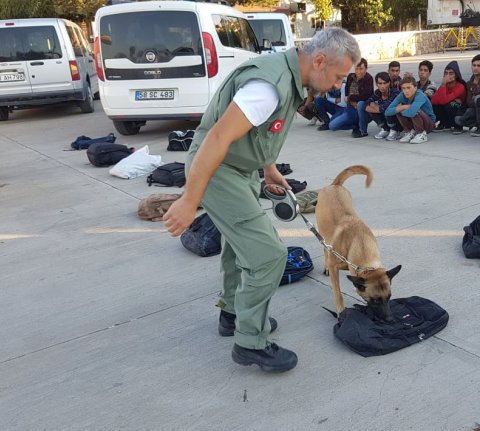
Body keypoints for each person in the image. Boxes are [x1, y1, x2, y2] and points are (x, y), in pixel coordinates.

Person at [162, 28, 360, 373]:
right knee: (268, 255)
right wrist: (189, 201)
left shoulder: (284, 76)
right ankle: (250, 341)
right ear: (318, 61)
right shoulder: (268, 87)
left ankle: (231, 313)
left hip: (237, 168)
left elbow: (253, 130)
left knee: (240, 246)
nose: (337, 86)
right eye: (338, 76)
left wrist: (268, 167)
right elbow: (217, 138)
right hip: (218, 169)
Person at [385, 76, 437, 144]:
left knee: (415, 111)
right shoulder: (402, 95)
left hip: (428, 124)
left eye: (409, 88)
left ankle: (421, 134)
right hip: (414, 122)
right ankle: (409, 132)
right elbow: (387, 112)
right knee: (399, 109)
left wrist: (401, 109)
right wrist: (403, 107)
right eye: (403, 88)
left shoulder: (420, 95)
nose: (406, 91)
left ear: (415, 88)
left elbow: (412, 113)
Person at [355, 71, 401, 139]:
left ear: (389, 83)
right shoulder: (377, 92)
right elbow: (366, 103)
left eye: (385, 83)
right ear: (376, 84)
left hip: (397, 121)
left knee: (388, 110)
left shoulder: (395, 93)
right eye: (380, 83)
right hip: (384, 116)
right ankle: (385, 129)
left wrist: (374, 106)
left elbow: (386, 108)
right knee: (361, 104)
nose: (382, 86)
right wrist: (376, 107)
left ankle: (395, 131)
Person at [331, 58, 373, 133]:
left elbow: (365, 96)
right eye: (356, 69)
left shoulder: (368, 78)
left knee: (334, 124)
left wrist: (350, 97)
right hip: (350, 108)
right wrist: (347, 97)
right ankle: (355, 125)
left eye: (361, 69)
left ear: (366, 69)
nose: (358, 71)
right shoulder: (351, 76)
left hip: (361, 109)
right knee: (332, 125)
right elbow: (347, 89)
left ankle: (360, 126)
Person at [454, 53, 480, 135]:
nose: (476, 68)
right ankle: (475, 124)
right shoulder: (469, 83)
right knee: (458, 118)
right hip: (473, 109)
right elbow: (469, 101)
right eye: (474, 65)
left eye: (479, 66)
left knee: (478, 100)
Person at [431, 60, 466, 132]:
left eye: (451, 73)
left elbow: (444, 101)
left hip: (460, 109)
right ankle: (445, 124)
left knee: (451, 104)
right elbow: (434, 100)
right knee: (436, 105)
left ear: (456, 75)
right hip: (448, 104)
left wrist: (443, 85)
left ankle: (458, 126)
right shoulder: (445, 85)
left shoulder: (460, 86)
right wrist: (443, 86)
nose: (448, 76)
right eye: (446, 73)